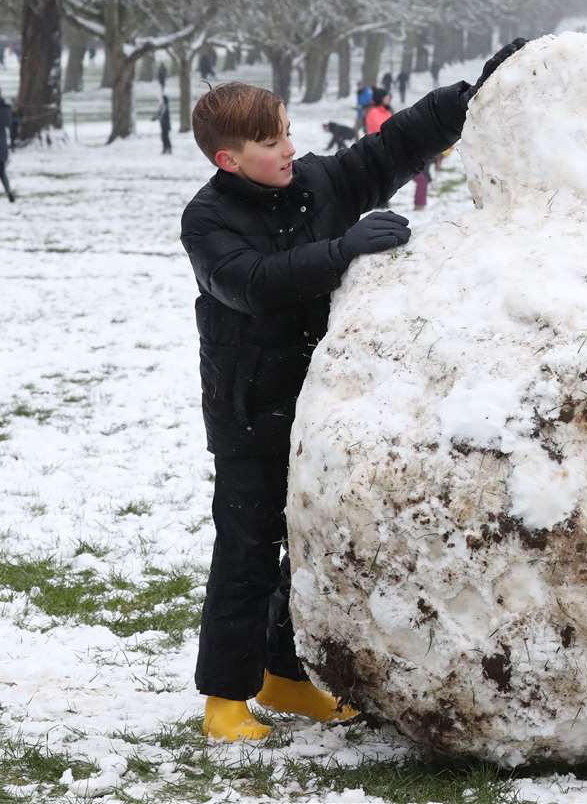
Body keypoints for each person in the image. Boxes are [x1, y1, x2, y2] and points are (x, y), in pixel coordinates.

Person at [180, 37, 524, 743]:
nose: (287, 150)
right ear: (228, 159)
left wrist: (475, 91)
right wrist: (344, 250)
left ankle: (284, 674)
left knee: (304, 545)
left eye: (287, 135)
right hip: (249, 411)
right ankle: (225, 699)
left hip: (322, 402)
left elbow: (392, 148)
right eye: (270, 142)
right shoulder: (209, 221)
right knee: (247, 548)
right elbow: (250, 284)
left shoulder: (317, 184)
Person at [155, 85, 173, 154]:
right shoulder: (163, 106)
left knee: (165, 137)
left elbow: (161, 114)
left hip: (165, 125)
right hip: (163, 124)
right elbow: (159, 114)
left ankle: (167, 148)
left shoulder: (165, 107)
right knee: (164, 137)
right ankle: (166, 148)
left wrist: (156, 117)